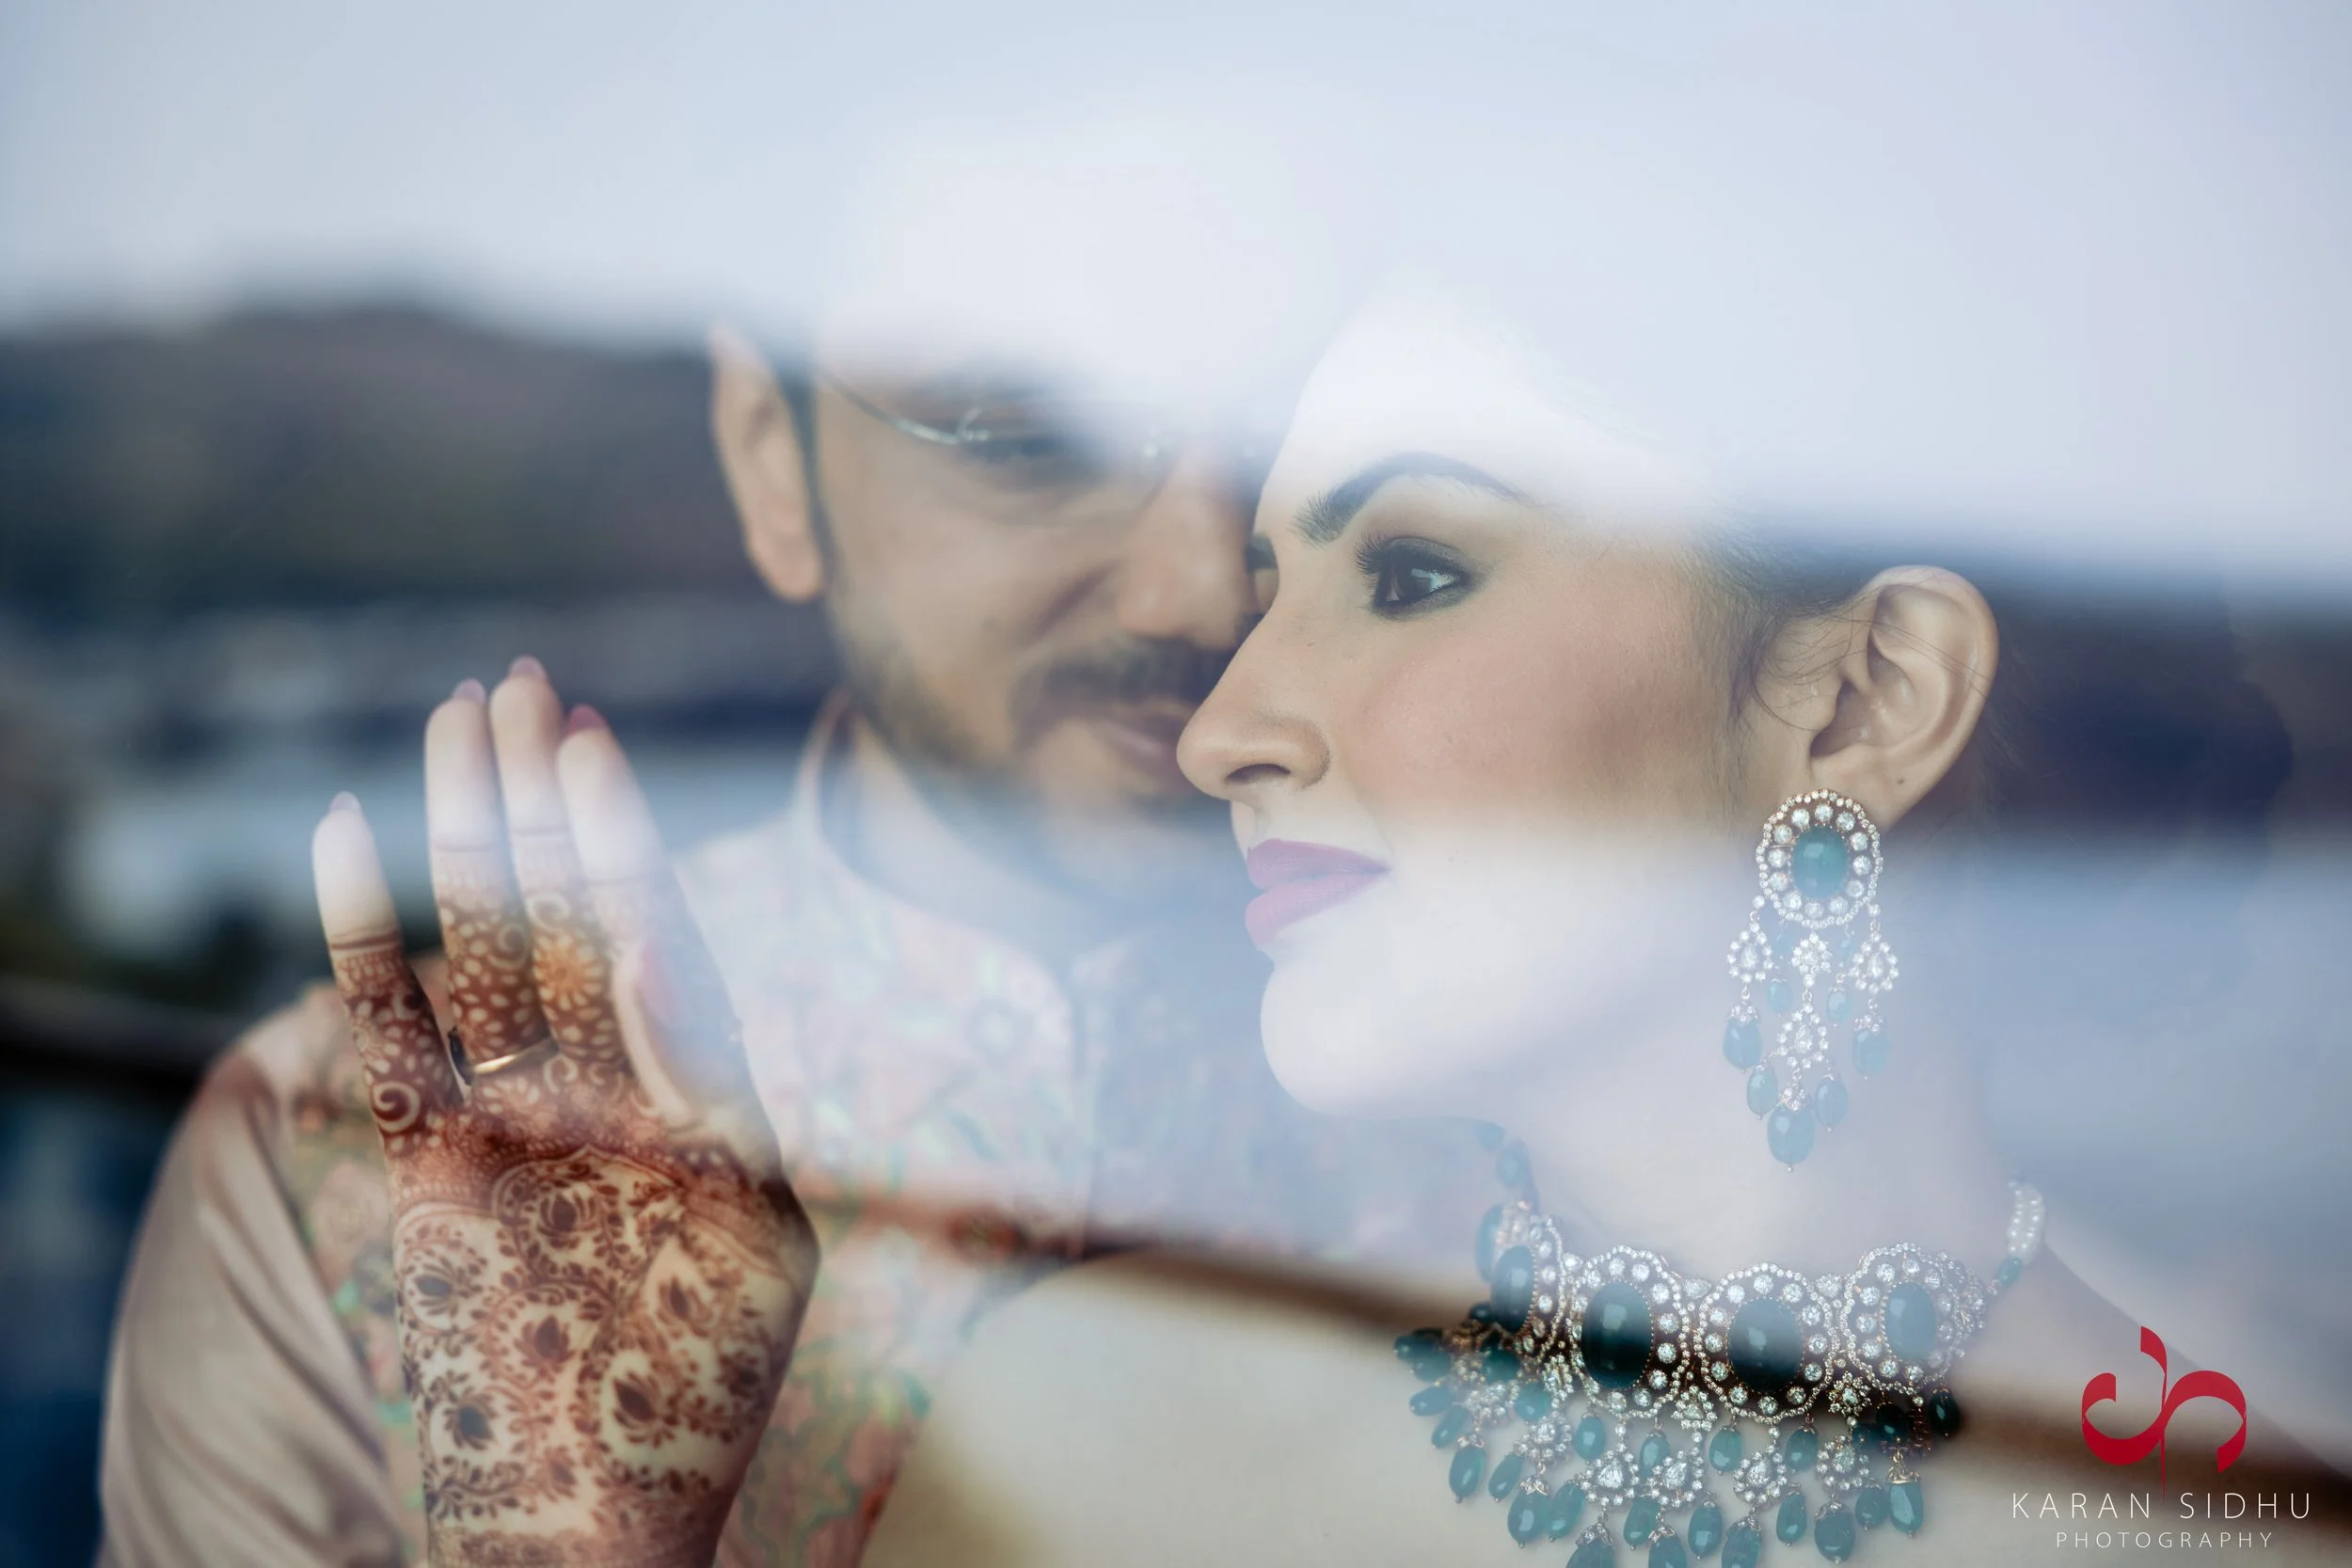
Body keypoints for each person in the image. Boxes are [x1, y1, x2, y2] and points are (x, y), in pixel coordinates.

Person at [858, 297, 2352, 1566]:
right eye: (1266, 599)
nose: (1221, 731)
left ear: (1865, 700)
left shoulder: (2216, 1517)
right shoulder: (1101, 1432)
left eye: (1407, 573)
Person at [99, 313, 1491, 1566]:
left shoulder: (1552, 1104)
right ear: (773, 458)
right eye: (1031, 434)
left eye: (1280, 440)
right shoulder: (345, 1163)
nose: (1198, 585)